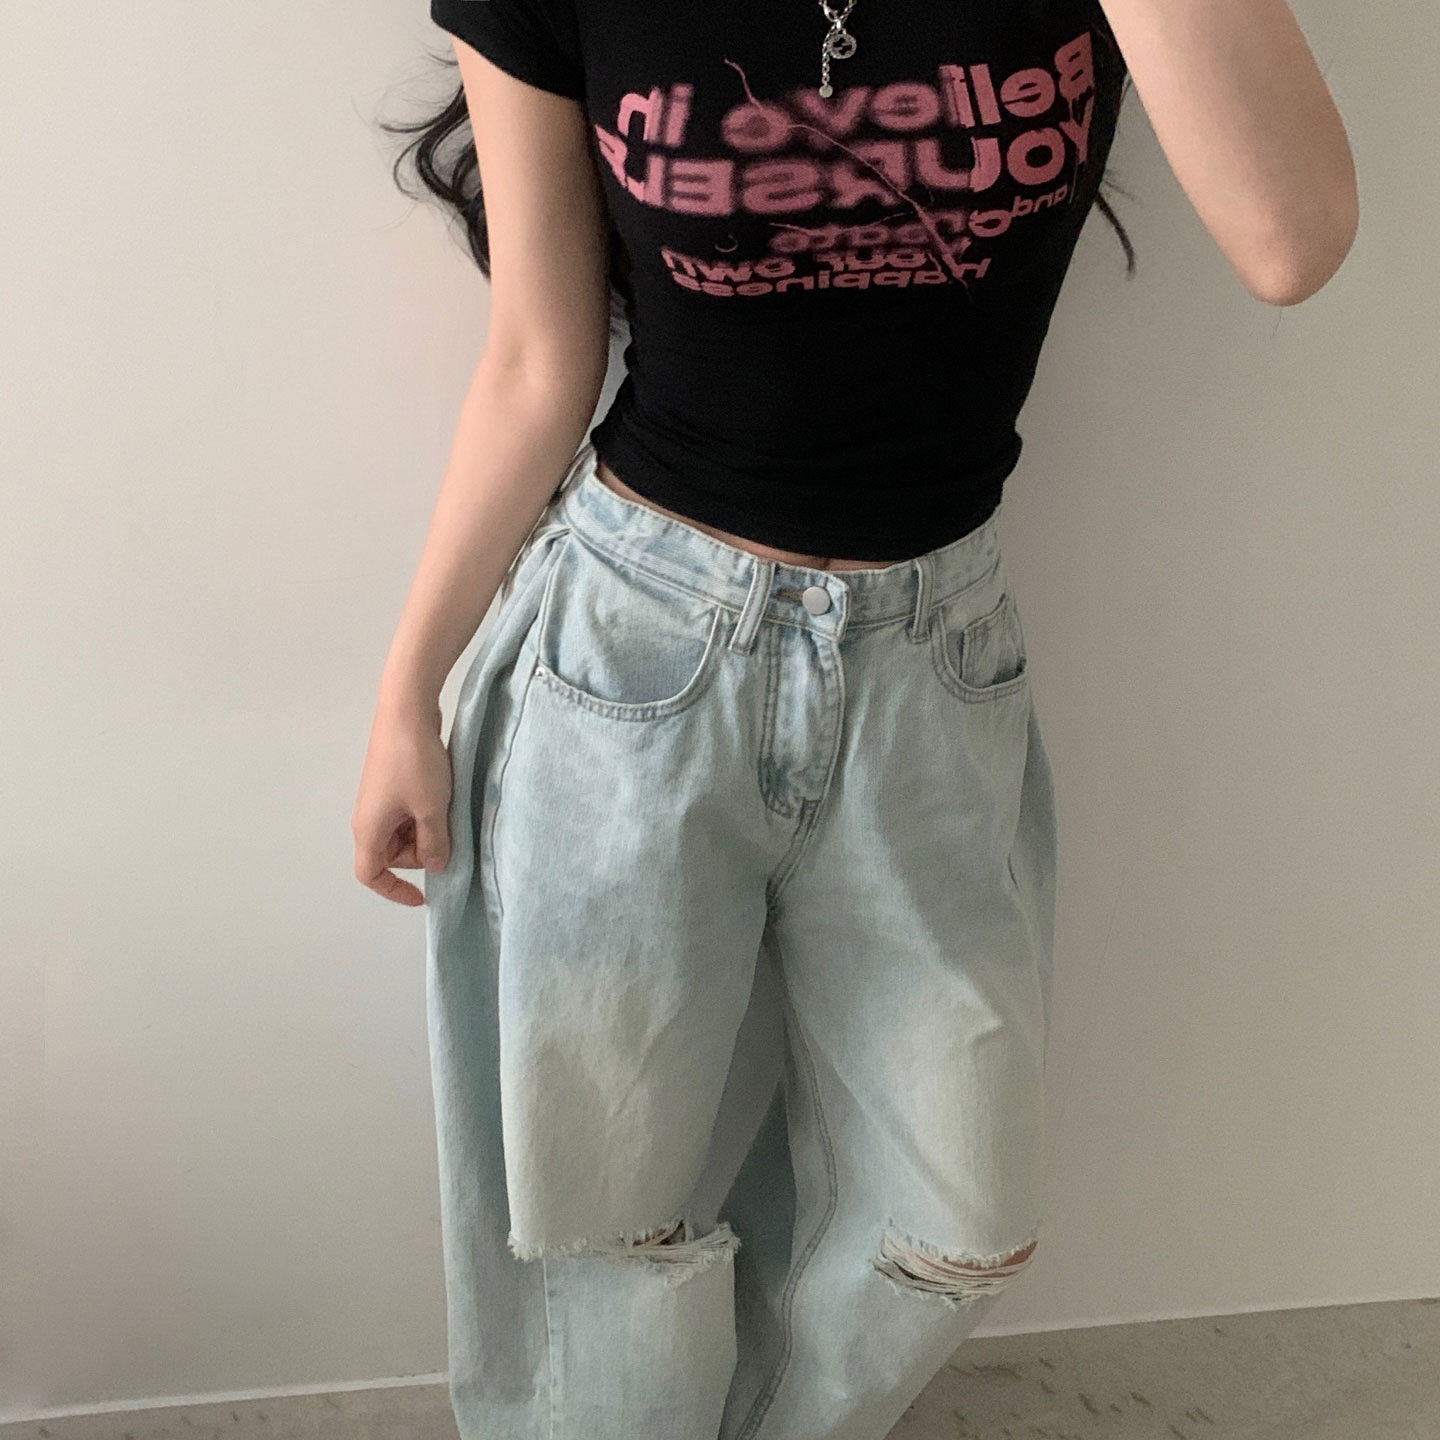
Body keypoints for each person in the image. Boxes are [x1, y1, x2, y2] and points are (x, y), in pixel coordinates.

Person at [354, 0, 1349, 1434]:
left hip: (935, 664)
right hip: (631, 653)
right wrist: (410, 687)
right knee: (597, 1220)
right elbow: (534, 360)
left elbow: (1292, 240)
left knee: (958, 1219)